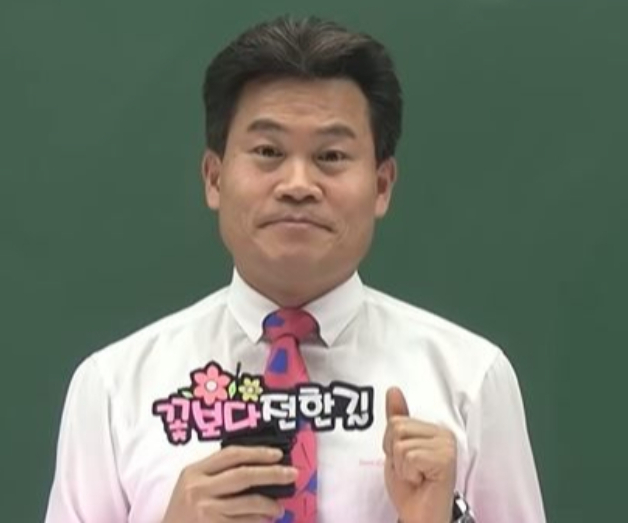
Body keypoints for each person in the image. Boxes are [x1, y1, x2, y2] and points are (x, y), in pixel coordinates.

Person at [44, 15, 546, 523]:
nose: (298, 184)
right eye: (268, 152)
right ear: (214, 178)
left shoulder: (468, 380)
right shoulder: (114, 388)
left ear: (381, 186)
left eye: (331, 155)